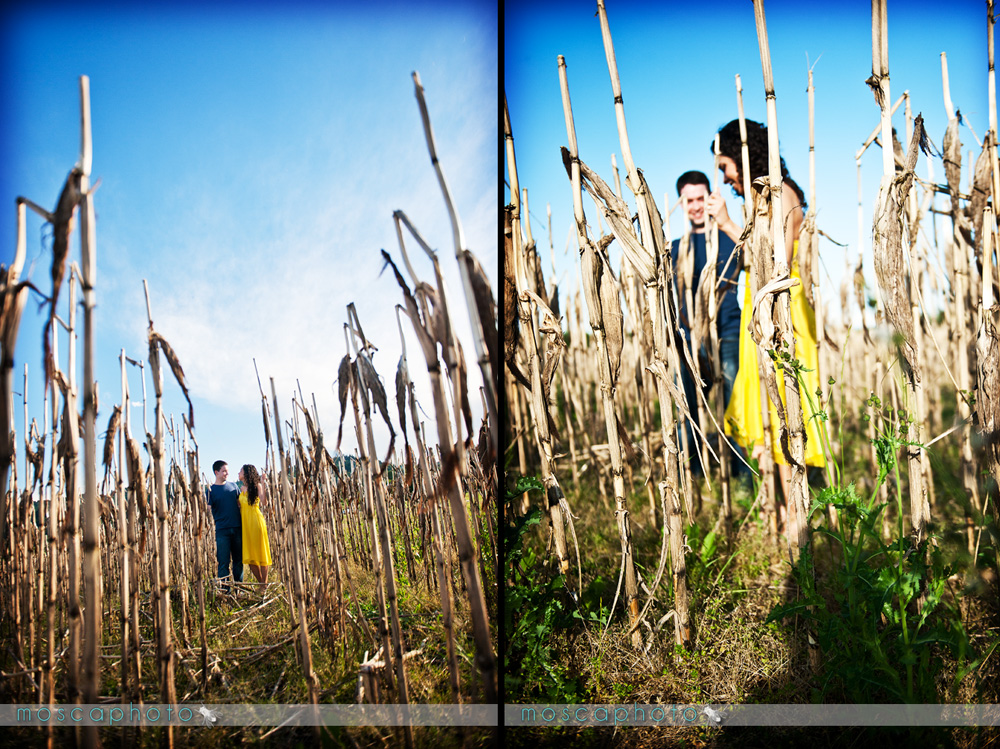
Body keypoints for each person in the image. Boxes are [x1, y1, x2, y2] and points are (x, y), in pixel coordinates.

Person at [706, 119, 826, 520]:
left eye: (725, 168)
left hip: (779, 315)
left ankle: (795, 520)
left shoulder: (780, 194)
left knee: (785, 409)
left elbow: (772, 262)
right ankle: (781, 514)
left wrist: (725, 224)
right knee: (770, 410)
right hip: (766, 312)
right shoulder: (769, 195)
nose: (725, 179)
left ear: (743, 156)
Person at [669, 170, 742, 476]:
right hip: (690, 341)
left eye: (702, 198)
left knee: (733, 407)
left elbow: (758, 254)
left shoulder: (728, 237)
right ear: (681, 203)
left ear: (711, 198)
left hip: (729, 333)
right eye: (690, 200)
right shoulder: (674, 249)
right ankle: (695, 474)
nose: (696, 206)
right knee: (688, 409)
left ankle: (741, 473)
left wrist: (726, 221)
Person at [207, 460, 243, 592]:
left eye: (227, 470)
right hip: (222, 531)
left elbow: (241, 505)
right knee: (223, 563)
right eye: (224, 471)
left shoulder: (234, 486)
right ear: (216, 472)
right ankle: (224, 591)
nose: (227, 473)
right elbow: (207, 508)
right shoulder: (211, 491)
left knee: (238, 561)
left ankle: (239, 590)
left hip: (237, 528)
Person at [238, 464, 272, 594]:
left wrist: (263, 483)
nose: (238, 473)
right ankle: (262, 584)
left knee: (262, 553)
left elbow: (264, 502)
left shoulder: (256, 486)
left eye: (240, 471)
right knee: (250, 557)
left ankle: (264, 585)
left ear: (246, 473)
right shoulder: (240, 489)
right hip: (246, 525)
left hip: (257, 522)